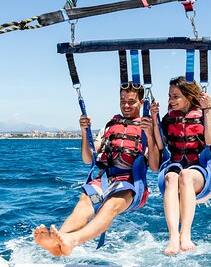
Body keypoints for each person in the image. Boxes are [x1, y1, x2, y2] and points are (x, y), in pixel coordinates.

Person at [34, 83, 160, 256]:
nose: (126, 105)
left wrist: (151, 135)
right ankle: (58, 243)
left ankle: (71, 240)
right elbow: (88, 158)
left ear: (140, 102)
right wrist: (85, 132)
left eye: (131, 102)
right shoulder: (110, 126)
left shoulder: (148, 128)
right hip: (105, 180)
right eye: (122, 100)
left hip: (131, 184)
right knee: (85, 202)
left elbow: (154, 167)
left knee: (110, 205)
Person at [151, 76, 211, 255]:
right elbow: (160, 146)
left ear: (189, 96)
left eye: (175, 96)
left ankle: (186, 233)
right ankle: (173, 236)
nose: (170, 101)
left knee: (185, 175)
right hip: (175, 164)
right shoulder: (168, 119)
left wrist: (207, 109)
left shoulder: (206, 113)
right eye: (169, 96)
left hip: (199, 170)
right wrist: (154, 118)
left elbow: (210, 140)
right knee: (172, 176)